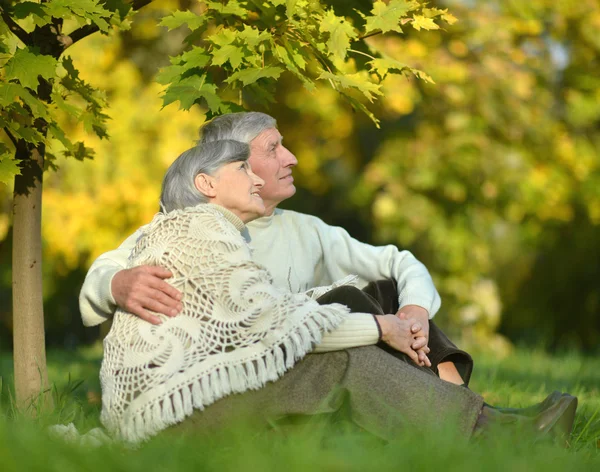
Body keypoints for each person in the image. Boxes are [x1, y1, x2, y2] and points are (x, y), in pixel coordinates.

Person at [97, 139, 578, 445]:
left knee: (339, 324)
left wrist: (379, 317)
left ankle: (483, 425)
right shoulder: (193, 235)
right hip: (169, 422)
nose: (258, 176)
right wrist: (378, 327)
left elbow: (264, 314)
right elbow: (269, 325)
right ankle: (499, 435)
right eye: (244, 168)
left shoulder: (208, 232)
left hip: (184, 404)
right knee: (337, 356)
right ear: (206, 184)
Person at [81, 112, 470, 385]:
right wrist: (117, 284)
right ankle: (460, 412)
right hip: (252, 370)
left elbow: (399, 262)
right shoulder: (184, 229)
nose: (291, 158)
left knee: (386, 290)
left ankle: (454, 395)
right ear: (231, 164)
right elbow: (102, 272)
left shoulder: (305, 228)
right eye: (273, 149)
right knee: (349, 297)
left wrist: (414, 308)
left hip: (309, 348)